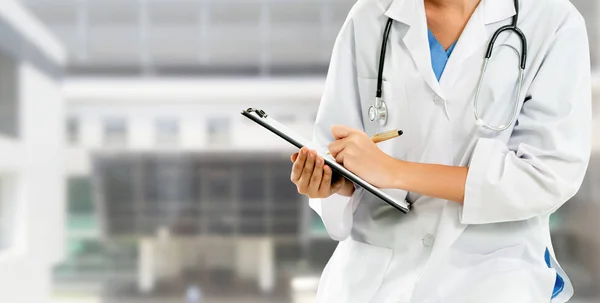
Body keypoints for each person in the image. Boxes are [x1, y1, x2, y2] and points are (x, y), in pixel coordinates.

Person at [289, 0, 591, 302]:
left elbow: (546, 176)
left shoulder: (552, 21)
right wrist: (334, 184)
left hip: (493, 271)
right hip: (372, 274)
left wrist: (395, 172)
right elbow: (335, 144)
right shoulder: (371, 15)